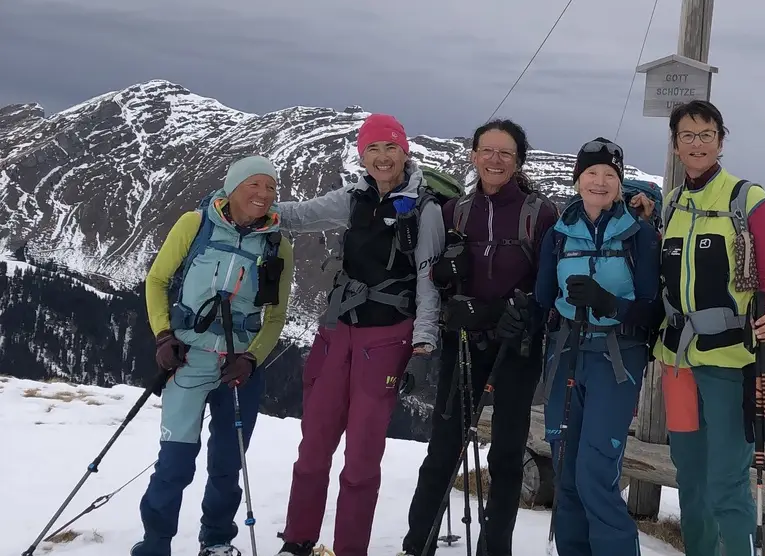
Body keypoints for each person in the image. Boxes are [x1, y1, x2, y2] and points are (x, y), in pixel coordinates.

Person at [273, 114, 445, 556]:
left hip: (386, 342)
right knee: (312, 449)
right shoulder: (353, 198)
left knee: (362, 461)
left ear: (405, 152)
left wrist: (423, 345)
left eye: (390, 148)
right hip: (337, 336)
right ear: (362, 155)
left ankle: (350, 548)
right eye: (373, 149)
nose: (383, 158)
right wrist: (249, 208)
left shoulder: (425, 211)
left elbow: (429, 284)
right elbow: (299, 216)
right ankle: (297, 540)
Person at [401, 119, 559, 556]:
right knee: (444, 448)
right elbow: (435, 278)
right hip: (463, 342)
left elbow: (549, 286)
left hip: (517, 346)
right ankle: (417, 545)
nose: (495, 159)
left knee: (507, 456)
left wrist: (519, 312)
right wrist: (447, 281)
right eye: (487, 151)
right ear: (473, 156)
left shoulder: (539, 213)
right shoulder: (456, 212)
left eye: (504, 153)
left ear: (518, 160)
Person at [132, 156, 295, 556]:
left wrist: (251, 359)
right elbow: (157, 279)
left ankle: (218, 541)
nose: (263, 194)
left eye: (271, 187)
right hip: (188, 357)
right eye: (253, 184)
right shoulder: (196, 224)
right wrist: (163, 336)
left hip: (239, 368)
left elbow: (275, 317)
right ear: (232, 187)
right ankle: (155, 545)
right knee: (174, 462)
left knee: (227, 465)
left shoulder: (277, 245)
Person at [652, 100, 765, 556]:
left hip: (730, 358)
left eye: (706, 134)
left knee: (727, 477)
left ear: (721, 141)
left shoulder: (748, 201)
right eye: (686, 135)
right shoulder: (671, 205)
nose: (696, 143)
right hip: (676, 361)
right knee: (689, 473)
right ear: (674, 145)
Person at [535, 137, 661, 556]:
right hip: (567, 353)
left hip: (617, 359)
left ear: (620, 183)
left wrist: (609, 304)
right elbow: (542, 297)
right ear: (577, 180)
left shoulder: (638, 235)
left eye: (610, 174)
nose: (600, 181)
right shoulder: (558, 233)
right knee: (567, 469)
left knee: (595, 471)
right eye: (592, 173)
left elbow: (651, 311)